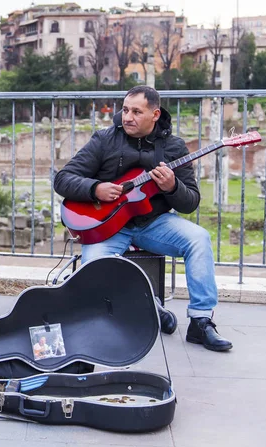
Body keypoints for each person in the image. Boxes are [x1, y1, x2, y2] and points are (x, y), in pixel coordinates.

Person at [54, 85, 232, 352]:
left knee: (199, 239)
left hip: (154, 223)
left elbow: (191, 202)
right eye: (125, 110)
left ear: (155, 114)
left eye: (137, 112)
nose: (127, 117)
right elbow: (63, 179)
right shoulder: (104, 139)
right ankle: (146, 307)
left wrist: (173, 187)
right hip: (108, 228)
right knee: (92, 267)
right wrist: (95, 189)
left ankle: (200, 321)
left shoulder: (174, 147)